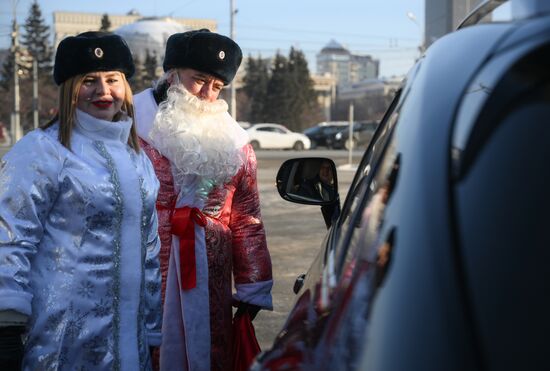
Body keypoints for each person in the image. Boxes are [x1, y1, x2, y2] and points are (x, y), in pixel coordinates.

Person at [0, 32, 162, 370]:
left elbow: (149, 248)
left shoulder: (138, 158)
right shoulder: (42, 150)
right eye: (89, 80)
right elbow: (10, 237)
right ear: (70, 88)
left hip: (130, 341)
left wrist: (153, 328)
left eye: (112, 79)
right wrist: (7, 321)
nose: (103, 91)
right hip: (60, 338)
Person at [133, 29, 273, 371]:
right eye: (199, 81)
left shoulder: (235, 143)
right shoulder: (129, 124)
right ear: (172, 73)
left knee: (207, 351)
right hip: (145, 268)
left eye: (217, 87)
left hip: (210, 273)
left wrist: (253, 284)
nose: (207, 95)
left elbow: (245, 218)